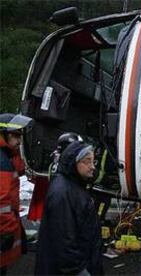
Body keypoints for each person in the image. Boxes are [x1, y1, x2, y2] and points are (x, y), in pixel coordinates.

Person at [35, 141, 103, 275]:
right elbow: (64, 242)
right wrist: (78, 271)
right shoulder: (63, 193)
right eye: (87, 161)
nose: (92, 167)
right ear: (73, 162)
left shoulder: (73, 187)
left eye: (93, 161)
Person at [0, 113, 32, 275]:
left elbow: (19, 170)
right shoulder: (2, 162)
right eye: (15, 135)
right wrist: (6, 232)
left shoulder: (6, 156)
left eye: (20, 136)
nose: (19, 140)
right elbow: (2, 203)